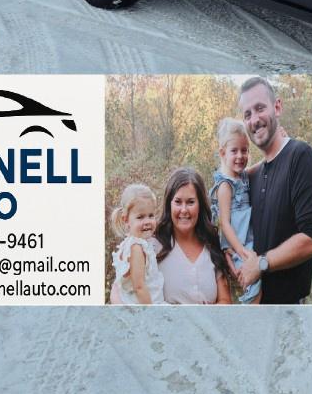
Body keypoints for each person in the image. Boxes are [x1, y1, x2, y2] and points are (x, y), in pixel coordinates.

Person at [235, 76, 312, 304]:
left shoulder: (300, 156)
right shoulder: (255, 175)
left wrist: (261, 263)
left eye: (260, 108)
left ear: (277, 107)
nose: (254, 120)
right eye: (247, 114)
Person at [153, 167, 232, 305]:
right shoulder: (153, 246)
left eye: (190, 202)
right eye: (178, 202)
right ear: (169, 204)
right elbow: (121, 291)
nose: (184, 210)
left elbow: (225, 300)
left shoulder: (212, 244)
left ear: (200, 205)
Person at [210, 118, 261, 304]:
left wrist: (275, 154)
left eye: (244, 150)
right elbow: (224, 222)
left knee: (257, 281)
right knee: (253, 286)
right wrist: (240, 250)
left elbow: (256, 168)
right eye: (234, 151)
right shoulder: (225, 185)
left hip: (248, 241)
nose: (240, 156)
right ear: (223, 153)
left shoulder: (242, 176)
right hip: (238, 243)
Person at [109, 183, 164, 305]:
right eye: (140, 217)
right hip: (145, 306)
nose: (147, 222)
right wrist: (151, 312)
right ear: (126, 220)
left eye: (151, 215)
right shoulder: (136, 247)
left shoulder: (134, 243)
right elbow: (139, 286)